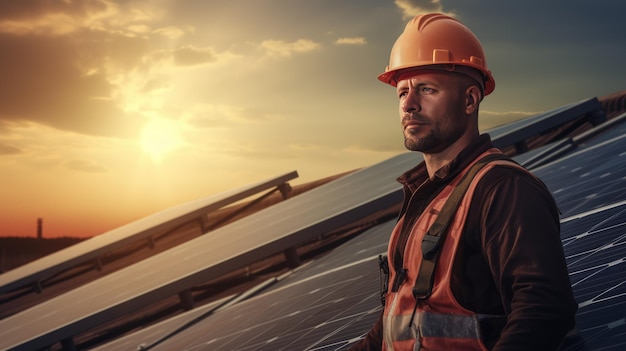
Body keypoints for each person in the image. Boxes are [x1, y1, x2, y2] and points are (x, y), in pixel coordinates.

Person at [348, 13, 577, 351]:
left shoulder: (502, 190)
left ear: (470, 100)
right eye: (401, 93)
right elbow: (395, 319)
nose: (409, 105)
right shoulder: (424, 196)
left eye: (426, 89)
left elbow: (543, 311)